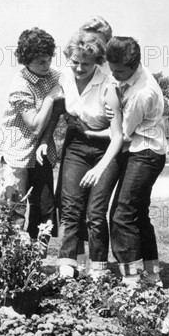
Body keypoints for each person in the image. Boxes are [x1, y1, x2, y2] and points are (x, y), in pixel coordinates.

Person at [38, 31, 123, 279]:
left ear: (96, 62)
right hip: (76, 144)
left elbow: (117, 135)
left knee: (95, 212)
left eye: (85, 64)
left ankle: (98, 266)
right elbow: (56, 109)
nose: (79, 68)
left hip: (105, 148)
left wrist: (99, 168)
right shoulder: (64, 77)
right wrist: (46, 139)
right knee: (70, 206)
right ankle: (67, 263)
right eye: (75, 62)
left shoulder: (108, 86)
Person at [105, 36, 169, 287]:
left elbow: (122, 134)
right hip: (144, 150)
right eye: (112, 69)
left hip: (145, 153)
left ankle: (131, 278)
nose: (114, 75)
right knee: (139, 214)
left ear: (134, 65)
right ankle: (152, 275)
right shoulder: (128, 77)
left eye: (119, 71)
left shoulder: (142, 93)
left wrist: (91, 130)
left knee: (122, 214)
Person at [0, 27, 63, 239]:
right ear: (26, 60)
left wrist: (45, 140)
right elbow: (34, 125)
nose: (47, 65)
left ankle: (36, 262)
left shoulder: (55, 76)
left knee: (45, 209)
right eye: (40, 62)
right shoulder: (20, 85)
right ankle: (12, 264)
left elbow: (56, 114)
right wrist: (51, 97)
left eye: (49, 59)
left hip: (41, 150)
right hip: (17, 153)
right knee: (15, 209)